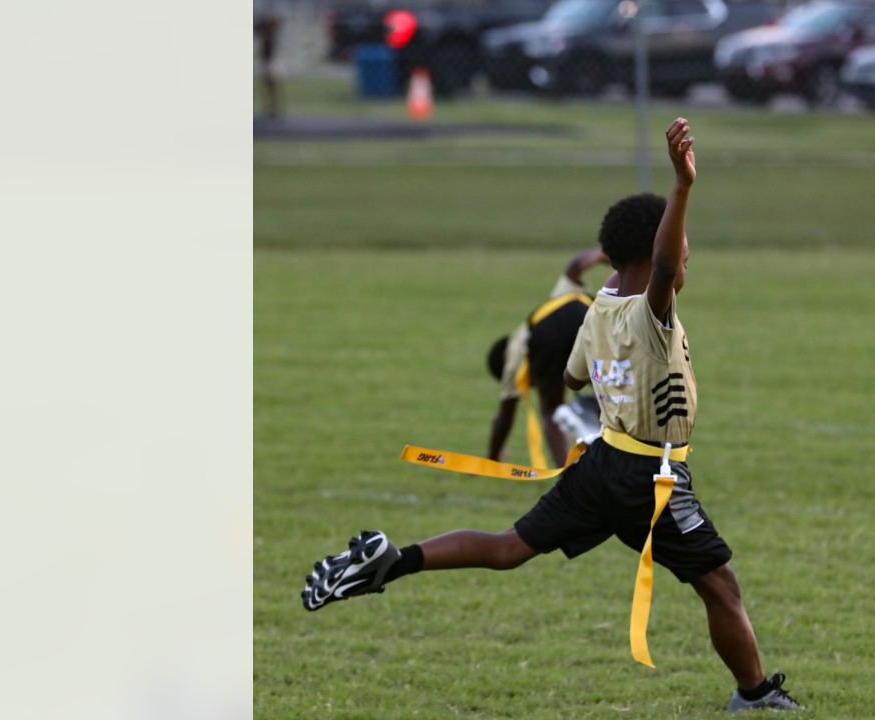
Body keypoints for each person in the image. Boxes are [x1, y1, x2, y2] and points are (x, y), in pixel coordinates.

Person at [301, 118, 801, 713]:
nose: (685, 262)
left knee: (510, 547)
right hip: (652, 480)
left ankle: (393, 562)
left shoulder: (599, 310)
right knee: (719, 585)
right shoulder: (649, 311)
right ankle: (754, 694)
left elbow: (570, 378)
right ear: (652, 261)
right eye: (682, 252)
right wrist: (682, 188)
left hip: (603, 465)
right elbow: (663, 269)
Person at [485, 248, 610, 466]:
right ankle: (589, 409)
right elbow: (574, 268)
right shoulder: (553, 300)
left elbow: (504, 417)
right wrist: (600, 254)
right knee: (611, 388)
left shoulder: (513, 360)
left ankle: (567, 470)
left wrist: (493, 457)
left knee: (551, 408)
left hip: (547, 338)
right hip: (589, 317)